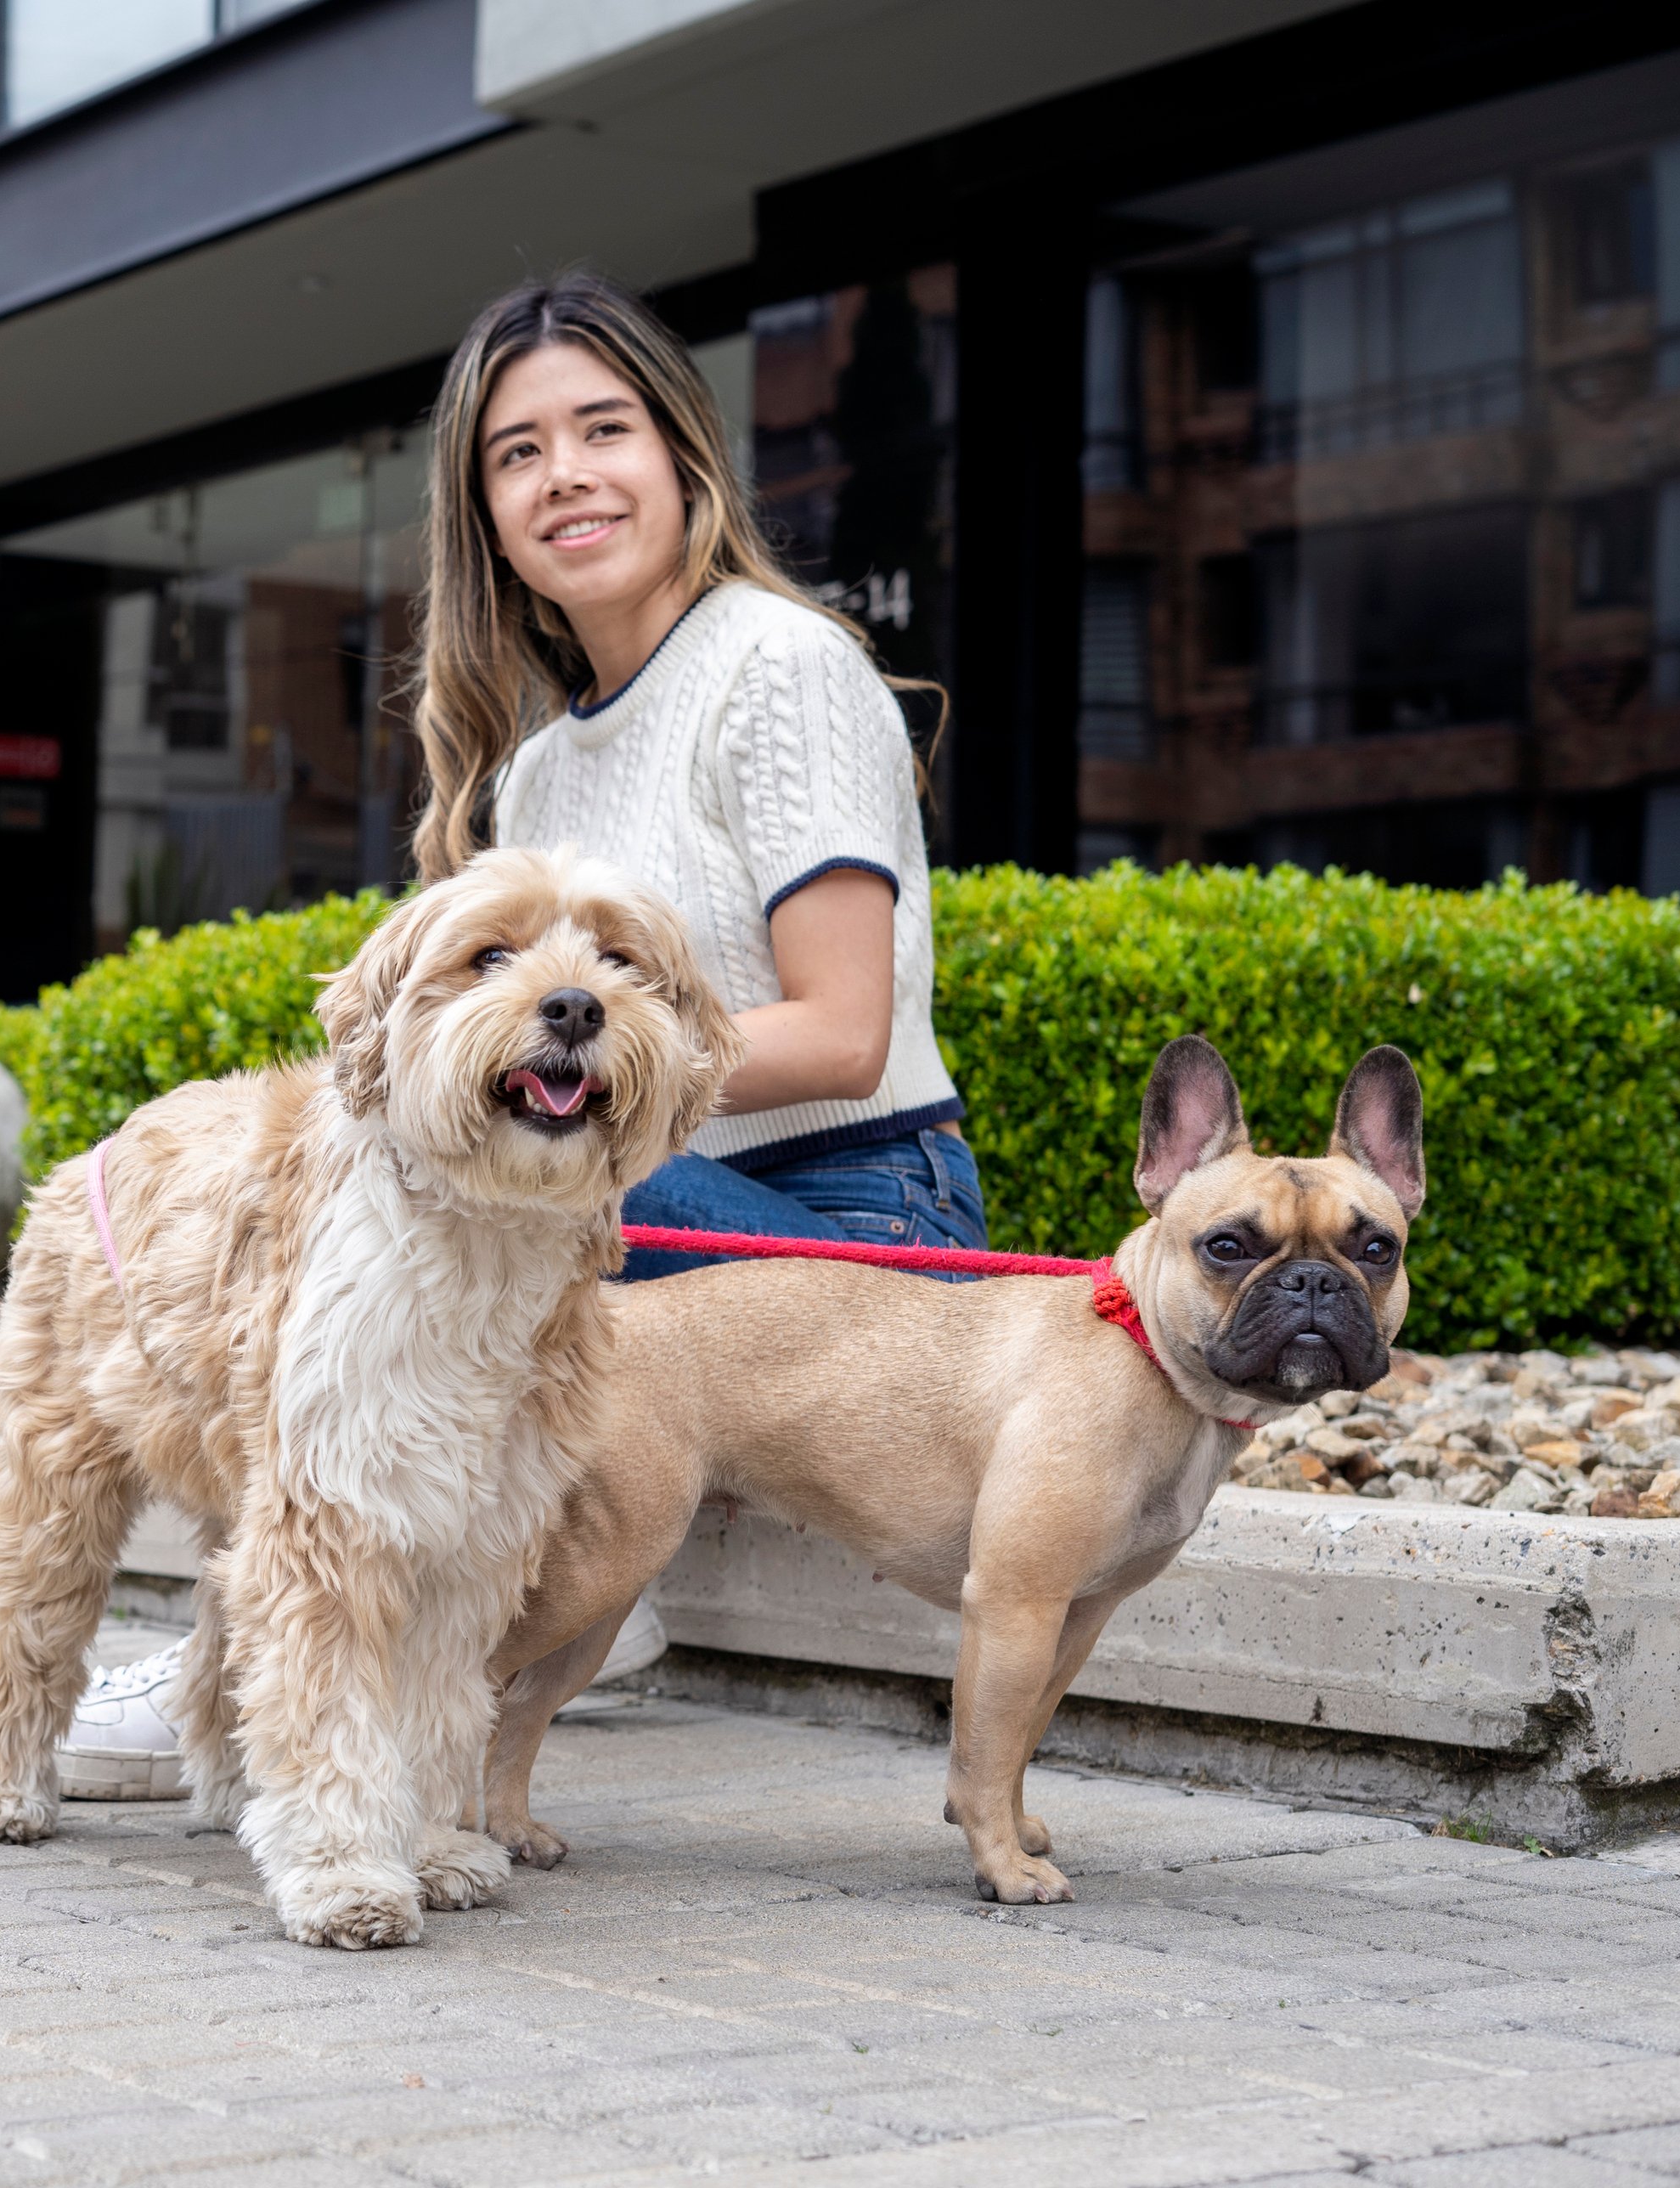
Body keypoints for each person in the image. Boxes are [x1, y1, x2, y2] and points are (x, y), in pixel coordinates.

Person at [55, 270, 984, 1803]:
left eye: (602, 429)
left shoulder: (782, 669)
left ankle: (267, 1634)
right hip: (645, 1203)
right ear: (484, 513)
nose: (565, 475)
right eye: (517, 452)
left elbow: (841, 1030)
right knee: (358, 1174)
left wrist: (550, 1078)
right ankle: (317, 1598)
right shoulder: (544, 774)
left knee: (458, 1178)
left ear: (686, 455)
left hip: (847, 1213)